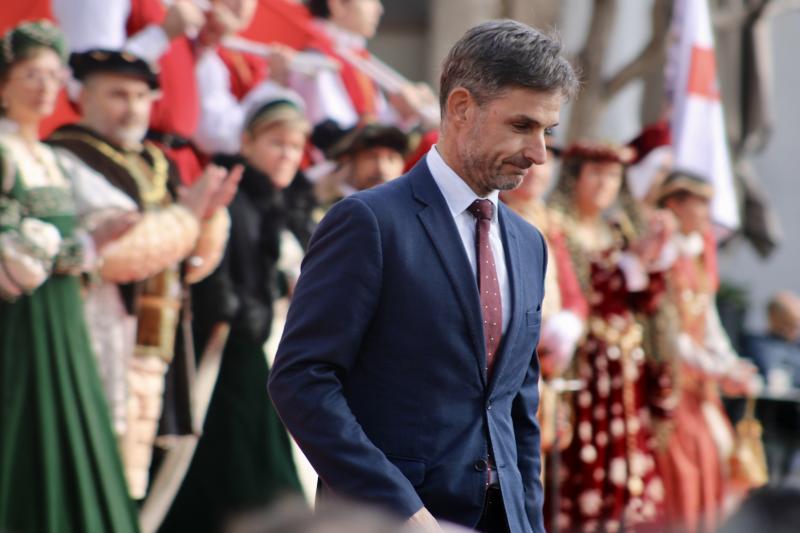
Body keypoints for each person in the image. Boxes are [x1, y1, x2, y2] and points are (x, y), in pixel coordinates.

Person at [269, 20, 578, 533]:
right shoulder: (368, 222)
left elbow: (518, 411)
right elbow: (301, 381)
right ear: (460, 108)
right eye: (522, 126)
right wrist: (402, 513)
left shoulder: (529, 243)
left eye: (547, 132)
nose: (539, 153)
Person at [46, 49, 240, 499]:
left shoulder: (157, 162)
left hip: (156, 338)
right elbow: (119, 256)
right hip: (98, 328)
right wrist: (189, 220)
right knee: (91, 460)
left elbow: (191, 265)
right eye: (117, 94)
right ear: (83, 97)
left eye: (140, 95)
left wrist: (209, 219)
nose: (132, 107)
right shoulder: (65, 158)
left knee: (135, 474)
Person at [0, 21, 139, 533]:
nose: (44, 86)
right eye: (31, 74)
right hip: (17, 321)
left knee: (68, 423)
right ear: (4, 82)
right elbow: (11, 249)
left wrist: (90, 241)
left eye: (53, 76)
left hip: (61, 317)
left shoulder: (50, 158)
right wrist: (83, 244)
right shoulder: (4, 152)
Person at [160, 93, 313, 533]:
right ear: (247, 142)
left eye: (295, 146)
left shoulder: (290, 205)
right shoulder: (231, 200)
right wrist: (255, 316)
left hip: (279, 352)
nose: (287, 155)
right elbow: (213, 282)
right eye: (276, 143)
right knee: (247, 476)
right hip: (235, 355)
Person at [547, 142, 676, 532]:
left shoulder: (618, 228)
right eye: (597, 174)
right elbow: (583, 293)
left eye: (613, 176)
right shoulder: (558, 226)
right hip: (583, 370)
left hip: (623, 370)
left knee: (628, 464)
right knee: (583, 465)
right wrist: (632, 261)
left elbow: (645, 301)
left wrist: (650, 259)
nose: (606, 184)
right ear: (576, 178)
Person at [654, 170, 759, 532]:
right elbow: (670, 334)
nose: (706, 213)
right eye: (699, 203)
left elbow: (708, 323)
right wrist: (719, 370)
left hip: (698, 388)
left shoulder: (697, 256)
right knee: (686, 469)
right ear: (674, 205)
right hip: (670, 387)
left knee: (719, 459)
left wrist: (731, 364)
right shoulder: (663, 256)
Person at [52, 0, 209, 183]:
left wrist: (204, 47)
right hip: (116, 151)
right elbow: (91, 74)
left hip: (165, 160)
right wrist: (162, 34)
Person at [292, 0, 437, 130]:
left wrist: (404, 112)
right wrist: (397, 111)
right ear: (338, 4)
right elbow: (337, 137)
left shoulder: (355, 57)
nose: (379, 9)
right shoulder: (315, 61)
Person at [310, 118, 408, 207]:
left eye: (391, 158)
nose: (382, 167)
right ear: (350, 160)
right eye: (372, 157)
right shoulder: (316, 193)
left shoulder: (405, 211)